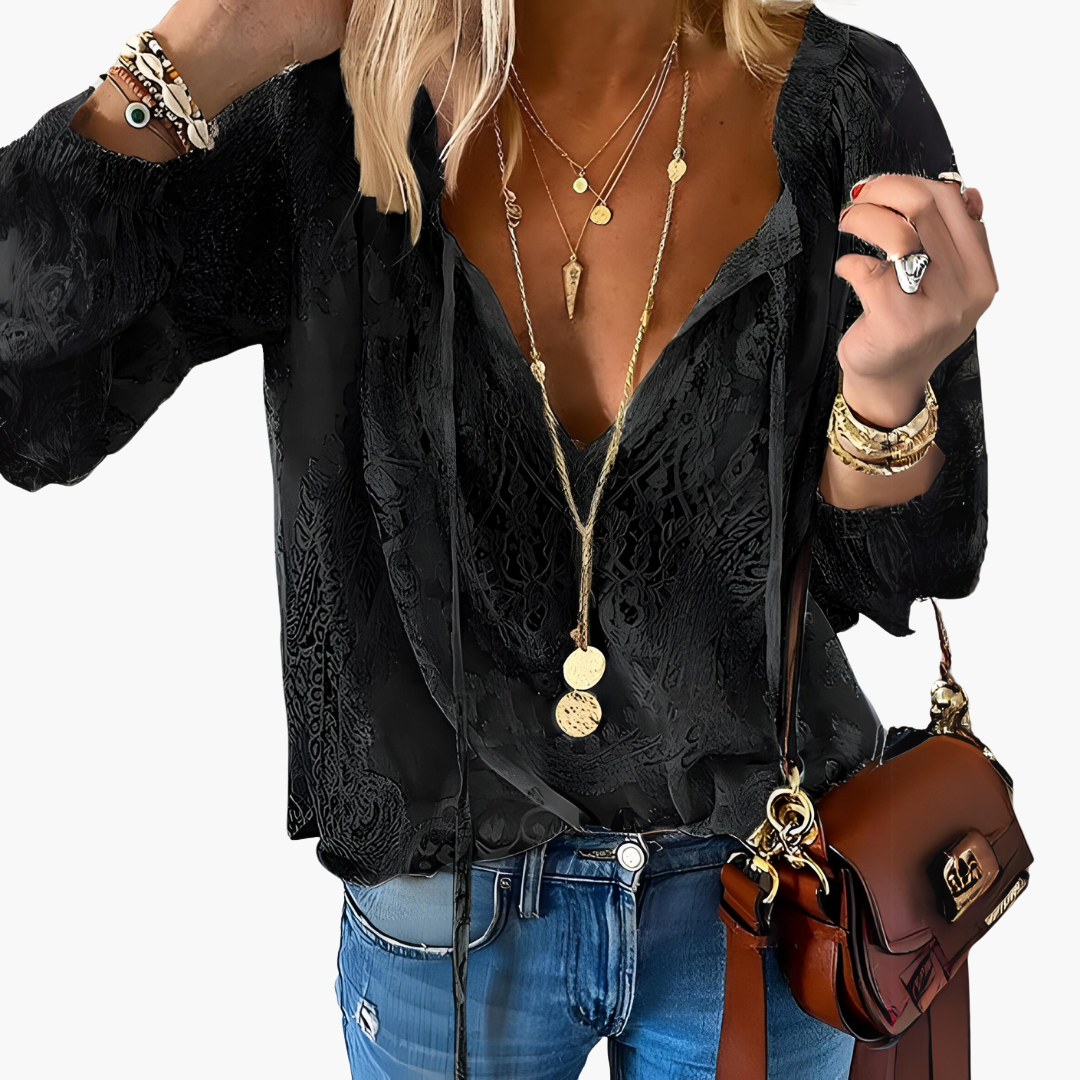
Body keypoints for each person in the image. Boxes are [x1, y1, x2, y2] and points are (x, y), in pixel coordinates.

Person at [0, 0, 996, 1077]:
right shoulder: (331, 111)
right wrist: (189, 57)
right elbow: (36, 413)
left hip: (764, 887)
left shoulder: (846, 101)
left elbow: (901, 571)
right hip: (444, 910)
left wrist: (888, 397)